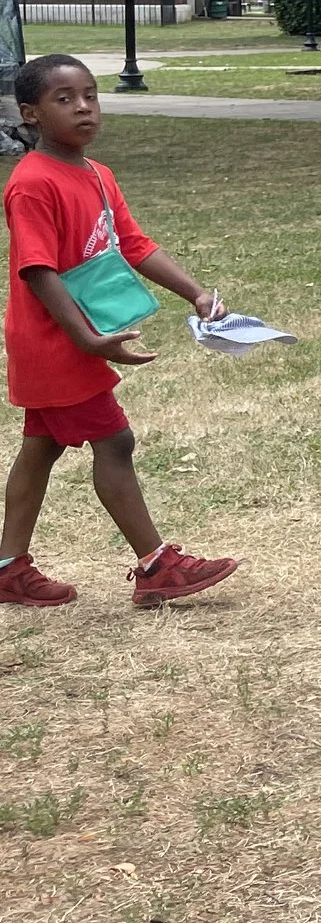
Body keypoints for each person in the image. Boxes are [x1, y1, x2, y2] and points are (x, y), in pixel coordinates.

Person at [0, 56, 238, 609]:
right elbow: (37, 270)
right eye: (65, 99)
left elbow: (134, 244)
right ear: (30, 113)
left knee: (43, 446)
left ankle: (9, 567)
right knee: (114, 439)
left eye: (90, 95)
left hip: (78, 338)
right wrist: (85, 340)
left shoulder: (97, 174)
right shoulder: (31, 183)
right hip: (55, 342)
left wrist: (196, 293)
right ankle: (157, 565)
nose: (83, 107)